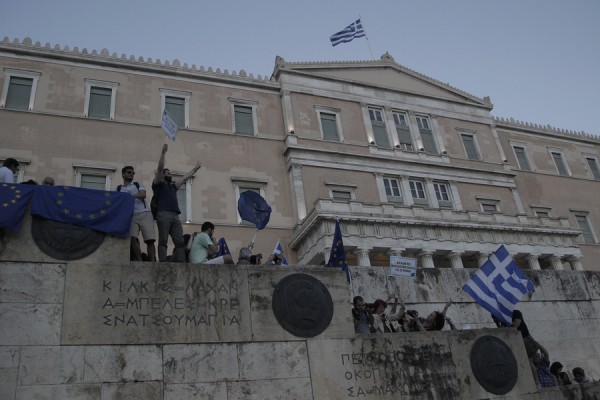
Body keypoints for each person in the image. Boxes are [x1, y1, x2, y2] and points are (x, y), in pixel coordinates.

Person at [152, 144, 201, 262]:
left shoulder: (173, 187)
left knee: (179, 241)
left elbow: (184, 178)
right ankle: (163, 262)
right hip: (163, 213)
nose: (170, 174)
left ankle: (181, 261)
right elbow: (160, 168)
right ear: (162, 175)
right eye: (167, 173)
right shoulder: (158, 184)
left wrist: (195, 169)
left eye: (169, 172)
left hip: (175, 215)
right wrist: (163, 152)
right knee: (163, 240)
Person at [118, 166, 156, 261]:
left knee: (150, 240)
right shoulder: (118, 189)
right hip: (130, 216)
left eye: (133, 173)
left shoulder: (138, 184)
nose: (132, 174)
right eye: (129, 172)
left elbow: (143, 195)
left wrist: (127, 196)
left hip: (145, 213)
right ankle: (139, 261)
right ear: (123, 174)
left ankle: (152, 263)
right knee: (132, 238)